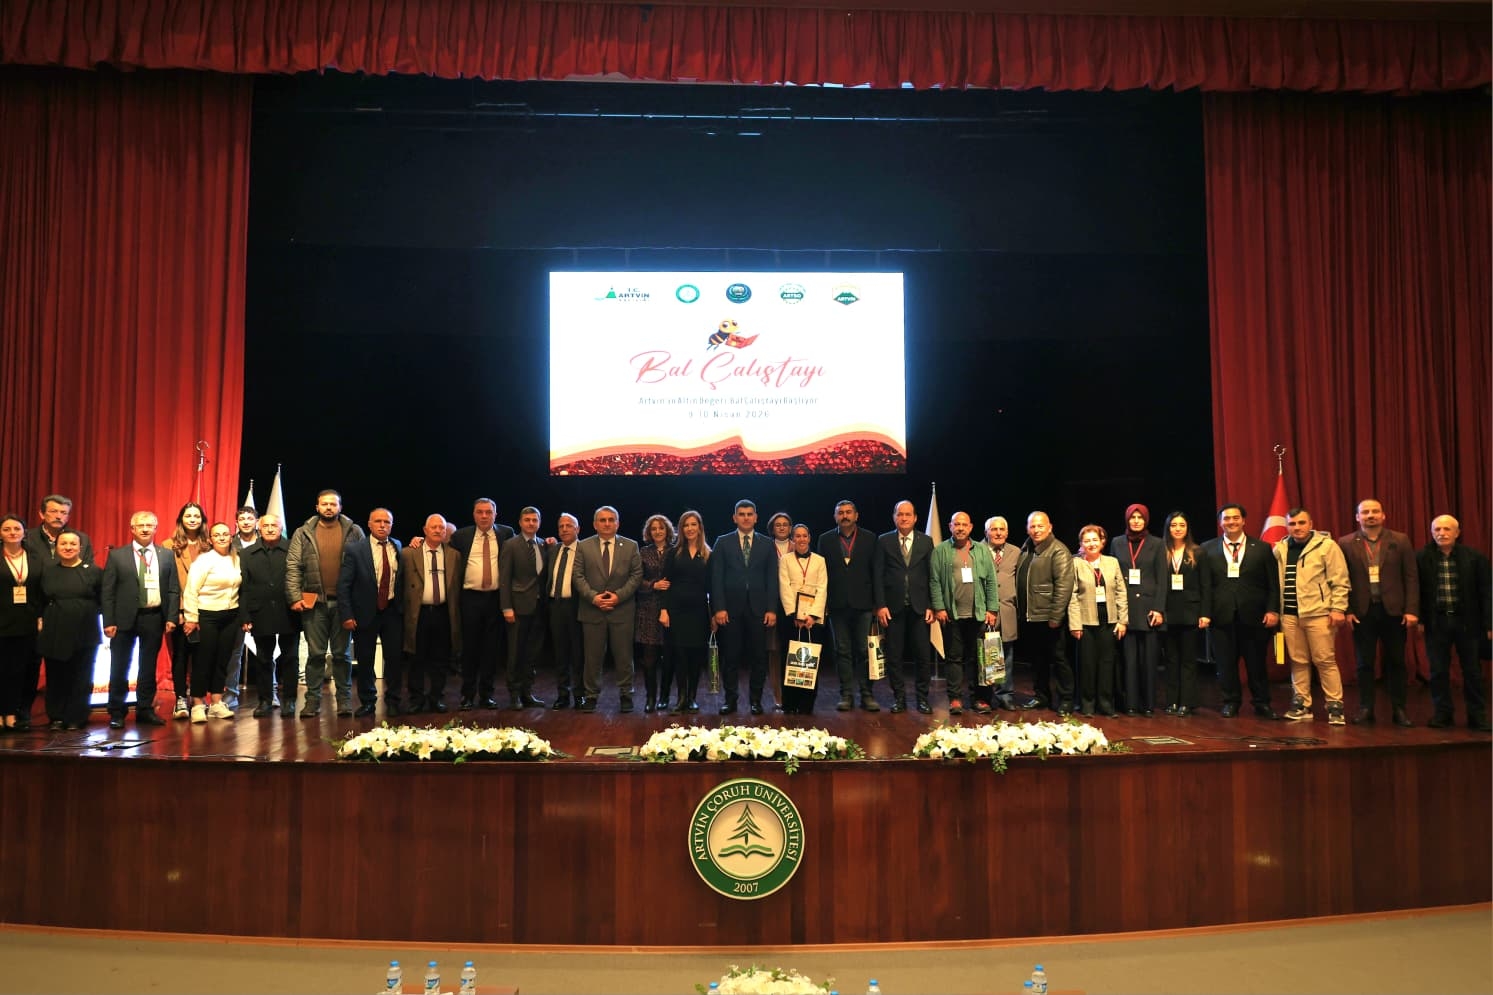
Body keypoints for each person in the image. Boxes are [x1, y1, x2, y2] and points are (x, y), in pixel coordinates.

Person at [1336, 498, 1419, 726]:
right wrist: (1347, 609)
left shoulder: (1400, 540)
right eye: (1365, 512)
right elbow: (1341, 579)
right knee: (1364, 663)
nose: (1370, 515)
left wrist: (1411, 609)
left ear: (1383, 515)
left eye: (1375, 511)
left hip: (1394, 611)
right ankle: (1366, 708)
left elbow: (1411, 577)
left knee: (1397, 661)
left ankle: (1399, 709)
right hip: (1362, 612)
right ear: (1357, 517)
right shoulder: (1345, 543)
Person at [285, 489, 365, 719]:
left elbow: (364, 566)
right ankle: (312, 701)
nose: (329, 507)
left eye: (333, 504)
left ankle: (344, 701)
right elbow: (293, 566)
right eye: (324, 504)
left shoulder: (354, 531)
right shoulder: (303, 532)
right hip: (314, 604)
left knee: (342, 655)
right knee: (315, 655)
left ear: (340, 507)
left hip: (344, 605)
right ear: (317, 507)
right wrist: (294, 597)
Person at [1198, 503, 1279, 719]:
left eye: (1235, 518)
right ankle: (1230, 702)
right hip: (1221, 616)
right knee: (1225, 664)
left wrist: (1272, 610)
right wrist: (1205, 613)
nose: (1231, 522)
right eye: (1226, 518)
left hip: (1254, 616)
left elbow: (1273, 584)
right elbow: (1204, 585)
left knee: (1256, 664)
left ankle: (1262, 703)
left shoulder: (1262, 548)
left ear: (1243, 521)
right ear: (1220, 522)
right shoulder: (1207, 548)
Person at [100, 510, 178, 728]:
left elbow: (173, 588)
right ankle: (117, 711)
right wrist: (109, 620)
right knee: (119, 665)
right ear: (132, 529)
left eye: (149, 525)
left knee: (148, 666)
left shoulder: (166, 555)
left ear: (156, 528)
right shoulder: (117, 556)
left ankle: (145, 709)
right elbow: (108, 591)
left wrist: (171, 616)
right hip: (123, 619)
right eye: (140, 525)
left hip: (153, 616)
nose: (145, 529)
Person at [1273, 508, 1350, 725]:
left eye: (1301, 523)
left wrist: (1338, 608)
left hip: (1318, 614)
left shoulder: (1327, 546)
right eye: (1292, 524)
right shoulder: (1280, 548)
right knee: (1298, 661)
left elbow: (1340, 580)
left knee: (1325, 661)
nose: (1297, 527)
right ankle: (1302, 704)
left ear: (1311, 524)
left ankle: (1335, 706)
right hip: (1289, 615)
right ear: (1287, 526)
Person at [1416, 515, 1491, 731]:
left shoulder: (1474, 557)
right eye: (1437, 529)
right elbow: (1416, 592)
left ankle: (1477, 716)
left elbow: (1487, 592)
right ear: (1431, 533)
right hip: (1436, 622)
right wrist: (1420, 619)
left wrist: (1489, 624)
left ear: (1457, 533)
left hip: (1468, 623)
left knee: (1472, 671)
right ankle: (1443, 714)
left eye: (1447, 529)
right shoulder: (1421, 557)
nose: (1442, 533)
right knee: (1438, 671)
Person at [710, 500, 778, 714]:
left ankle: (756, 701)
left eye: (750, 514)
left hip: (759, 610)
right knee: (730, 657)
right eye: (742, 514)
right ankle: (730, 700)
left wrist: (772, 609)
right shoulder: (722, 542)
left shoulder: (767, 543)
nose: (746, 517)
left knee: (759, 657)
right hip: (730, 610)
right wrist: (718, 608)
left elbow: (772, 579)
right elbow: (716, 578)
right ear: (734, 518)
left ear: (756, 517)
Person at [573, 505, 643, 712]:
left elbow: (636, 575)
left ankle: (626, 694)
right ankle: (591, 696)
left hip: (622, 610)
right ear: (595, 524)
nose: (607, 523)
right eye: (602, 520)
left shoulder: (630, 546)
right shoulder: (583, 546)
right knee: (592, 657)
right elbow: (577, 576)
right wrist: (594, 598)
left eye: (611, 520)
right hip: (592, 610)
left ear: (617, 524)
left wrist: (618, 596)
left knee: (624, 656)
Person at [338, 508, 405, 718]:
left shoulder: (398, 546)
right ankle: (368, 702)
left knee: (394, 659)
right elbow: (344, 585)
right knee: (366, 660)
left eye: (387, 522)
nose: (382, 525)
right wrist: (347, 615)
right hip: (365, 612)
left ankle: (393, 701)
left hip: (393, 611)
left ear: (392, 525)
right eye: (378, 521)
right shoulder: (355, 549)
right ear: (369, 524)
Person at [930, 511, 999, 715]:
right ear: (950, 526)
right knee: (954, 658)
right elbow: (934, 581)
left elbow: (991, 581)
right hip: (952, 615)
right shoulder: (940, 550)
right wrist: (939, 607)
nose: (960, 528)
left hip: (979, 614)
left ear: (970, 527)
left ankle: (980, 699)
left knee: (980, 658)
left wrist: (992, 609)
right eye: (956, 524)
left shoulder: (982, 550)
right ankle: (955, 699)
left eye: (964, 524)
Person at [451, 498, 514, 711]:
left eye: (488, 512)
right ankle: (467, 695)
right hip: (469, 598)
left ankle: (487, 695)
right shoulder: (461, 536)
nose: (484, 516)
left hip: (495, 598)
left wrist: (547, 542)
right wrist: (418, 540)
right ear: (474, 514)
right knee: (469, 649)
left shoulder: (506, 533)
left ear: (495, 514)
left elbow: (522, 548)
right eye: (480, 512)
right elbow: (442, 550)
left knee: (491, 649)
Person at [36, 529, 102, 730]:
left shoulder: (93, 571)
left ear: (80, 547)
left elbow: (103, 599)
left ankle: (76, 717)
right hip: (54, 627)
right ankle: (56, 716)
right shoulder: (48, 571)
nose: (68, 547)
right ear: (56, 547)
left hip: (85, 628)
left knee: (82, 675)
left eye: (73, 544)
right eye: (63, 543)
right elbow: (39, 599)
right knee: (56, 674)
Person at [873, 500, 934, 714]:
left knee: (923, 656)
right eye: (900, 514)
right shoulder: (884, 540)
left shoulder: (926, 541)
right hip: (893, 608)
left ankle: (922, 698)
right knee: (894, 656)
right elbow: (878, 575)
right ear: (894, 517)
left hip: (920, 608)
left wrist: (931, 605)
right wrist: (880, 605)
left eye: (908, 514)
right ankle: (899, 698)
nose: (904, 518)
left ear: (915, 518)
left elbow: (932, 575)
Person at [819, 499, 880, 711]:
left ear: (856, 515)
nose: (844, 516)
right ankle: (846, 694)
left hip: (864, 604)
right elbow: (821, 575)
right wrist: (823, 604)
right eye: (840, 513)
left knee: (863, 650)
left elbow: (876, 573)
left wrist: (877, 603)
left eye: (848, 512)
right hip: (836, 604)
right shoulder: (825, 539)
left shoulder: (870, 538)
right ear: (835, 517)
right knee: (842, 651)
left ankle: (867, 694)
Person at [239, 514, 301, 718]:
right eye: (265, 525)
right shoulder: (247, 553)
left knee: (290, 657)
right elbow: (244, 587)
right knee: (263, 658)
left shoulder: (293, 548)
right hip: (260, 612)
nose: (270, 528)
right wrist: (245, 615)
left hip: (289, 611)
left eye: (274, 525)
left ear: (281, 527)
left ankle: (289, 700)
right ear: (259, 528)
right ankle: (265, 700)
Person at [182, 523, 243, 723]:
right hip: (206, 615)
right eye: (217, 535)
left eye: (225, 534)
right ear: (210, 539)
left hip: (231, 616)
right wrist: (192, 617)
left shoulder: (237, 559)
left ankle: (216, 702)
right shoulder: (204, 560)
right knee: (203, 660)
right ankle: (198, 704)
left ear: (231, 537)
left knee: (223, 660)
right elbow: (191, 590)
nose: (222, 538)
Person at [402, 514, 461, 714]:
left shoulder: (454, 555)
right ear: (425, 530)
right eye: (433, 527)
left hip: (443, 613)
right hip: (418, 613)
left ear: (446, 532)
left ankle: (436, 697)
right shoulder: (409, 553)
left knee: (440, 659)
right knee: (416, 658)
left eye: (441, 528)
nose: (437, 530)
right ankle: (416, 699)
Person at [1018, 511, 1075, 713]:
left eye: (1040, 526)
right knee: (1037, 660)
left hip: (1049, 617)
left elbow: (1064, 586)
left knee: (1059, 659)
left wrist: (1055, 616)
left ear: (1049, 527)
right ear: (1027, 529)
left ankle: (1066, 699)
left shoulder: (1058, 550)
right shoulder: (1026, 549)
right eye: (1032, 526)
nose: (1036, 529)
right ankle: (1041, 696)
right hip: (1030, 616)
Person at [1070, 524, 1129, 717]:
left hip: (1109, 622)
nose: (1091, 544)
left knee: (1107, 664)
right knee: (1087, 665)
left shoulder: (1112, 562)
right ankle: (1087, 704)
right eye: (1087, 541)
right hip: (1085, 623)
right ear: (1081, 544)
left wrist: (1122, 620)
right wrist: (1075, 624)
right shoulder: (1075, 563)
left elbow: (1121, 592)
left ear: (1102, 542)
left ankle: (1105, 704)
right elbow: (1072, 595)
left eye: (1095, 539)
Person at [1112, 504, 1166, 716]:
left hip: (1148, 610)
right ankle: (1130, 703)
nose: (1136, 521)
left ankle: (1148, 704)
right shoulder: (1117, 542)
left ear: (1146, 520)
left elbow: (1162, 579)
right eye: (1132, 517)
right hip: (1125, 609)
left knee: (1149, 661)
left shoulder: (1157, 543)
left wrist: (1159, 608)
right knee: (1128, 660)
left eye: (1140, 517)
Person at [1159, 512, 1211, 717]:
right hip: (1168, 612)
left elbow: (1205, 585)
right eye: (1174, 525)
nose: (1178, 528)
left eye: (1182, 525)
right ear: (1168, 528)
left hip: (1191, 612)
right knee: (1171, 660)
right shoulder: (1161, 551)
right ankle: (1172, 700)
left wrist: (1205, 613)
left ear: (1187, 528)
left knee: (1188, 660)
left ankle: (1187, 702)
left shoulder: (1198, 552)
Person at [661, 510, 712, 714]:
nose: (690, 528)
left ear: (699, 527)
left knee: (696, 656)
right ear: (681, 529)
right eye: (686, 525)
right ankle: (681, 698)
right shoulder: (673, 553)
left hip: (699, 612)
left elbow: (712, 587)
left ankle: (692, 698)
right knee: (680, 655)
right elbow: (665, 583)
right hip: (677, 611)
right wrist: (664, 610)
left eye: (693, 524)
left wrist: (714, 614)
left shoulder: (708, 554)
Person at [499, 506, 548, 710]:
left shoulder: (543, 544)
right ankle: (514, 694)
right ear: (520, 522)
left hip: (539, 608)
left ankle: (527, 692)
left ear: (539, 523)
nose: (531, 523)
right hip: (517, 608)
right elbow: (504, 578)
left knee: (532, 653)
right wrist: (506, 607)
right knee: (515, 653)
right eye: (527, 520)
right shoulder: (510, 545)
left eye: (534, 520)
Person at [166, 502, 211, 720]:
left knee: (202, 657)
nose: (192, 519)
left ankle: (198, 697)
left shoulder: (210, 545)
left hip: (207, 609)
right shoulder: (169, 546)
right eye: (188, 516)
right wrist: (179, 611)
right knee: (181, 656)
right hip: (181, 611)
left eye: (196, 516)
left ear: (202, 520)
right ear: (181, 520)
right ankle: (181, 698)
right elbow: (169, 581)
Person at [778, 523, 827, 714]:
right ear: (792, 539)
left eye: (804, 536)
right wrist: (795, 615)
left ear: (809, 538)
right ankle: (789, 703)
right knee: (791, 661)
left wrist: (813, 615)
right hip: (792, 619)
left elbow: (822, 588)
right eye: (797, 536)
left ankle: (807, 704)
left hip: (813, 620)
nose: (801, 539)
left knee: (810, 661)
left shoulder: (820, 560)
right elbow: (784, 586)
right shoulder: (785, 560)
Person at [0, 514, 43, 731]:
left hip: (28, 622)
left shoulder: (35, 557)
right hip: (2, 622)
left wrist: (41, 616)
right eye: (7, 529)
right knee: (3, 669)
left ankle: (17, 712)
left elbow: (41, 590)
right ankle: (2, 712)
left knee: (25, 670)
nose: (12, 533)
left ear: (24, 532)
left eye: (17, 529)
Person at [983, 516, 1030, 711]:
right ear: (986, 532)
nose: (998, 533)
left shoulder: (1015, 552)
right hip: (985, 611)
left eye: (1002, 529)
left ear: (1007, 532)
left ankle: (1005, 695)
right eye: (994, 529)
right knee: (987, 653)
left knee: (1007, 654)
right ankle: (985, 696)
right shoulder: (977, 549)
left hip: (1008, 610)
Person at [220, 505, 260, 714]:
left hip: (260, 603)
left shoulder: (265, 541)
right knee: (234, 652)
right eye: (242, 519)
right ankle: (231, 693)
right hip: (234, 602)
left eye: (249, 518)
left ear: (257, 522)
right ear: (236, 523)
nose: (246, 522)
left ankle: (269, 692)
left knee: (267, 650)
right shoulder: (229, 544)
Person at [634, 514, 675, 713]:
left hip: (672, 609)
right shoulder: (643, 552)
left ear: (667, 530)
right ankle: (650, 697)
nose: (658, 531)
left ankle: (664, 697)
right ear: (649, 532)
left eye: (661, 528)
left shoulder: (676, 551)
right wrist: (653, 585)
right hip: (647, 609)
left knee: (669, 657)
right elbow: (635, 580)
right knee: (649, 658)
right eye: (654, 528)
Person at [546, 513, 583, 710]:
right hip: (555, 606)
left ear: (578, 529)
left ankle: (579, 695)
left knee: (578, 653)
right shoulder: (553, 550)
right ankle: (562, 695)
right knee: (560, 654)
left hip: (577, 606)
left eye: (569, 525)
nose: (565, 529)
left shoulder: (585, 550)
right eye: (561, 526)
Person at [24, 494, 95, 565]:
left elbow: (88, 568)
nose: (58, 516)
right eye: (53, 511)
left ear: (68, 517)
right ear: (42, 514)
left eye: (63, 513)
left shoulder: (81, 539)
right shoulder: (27, 538)